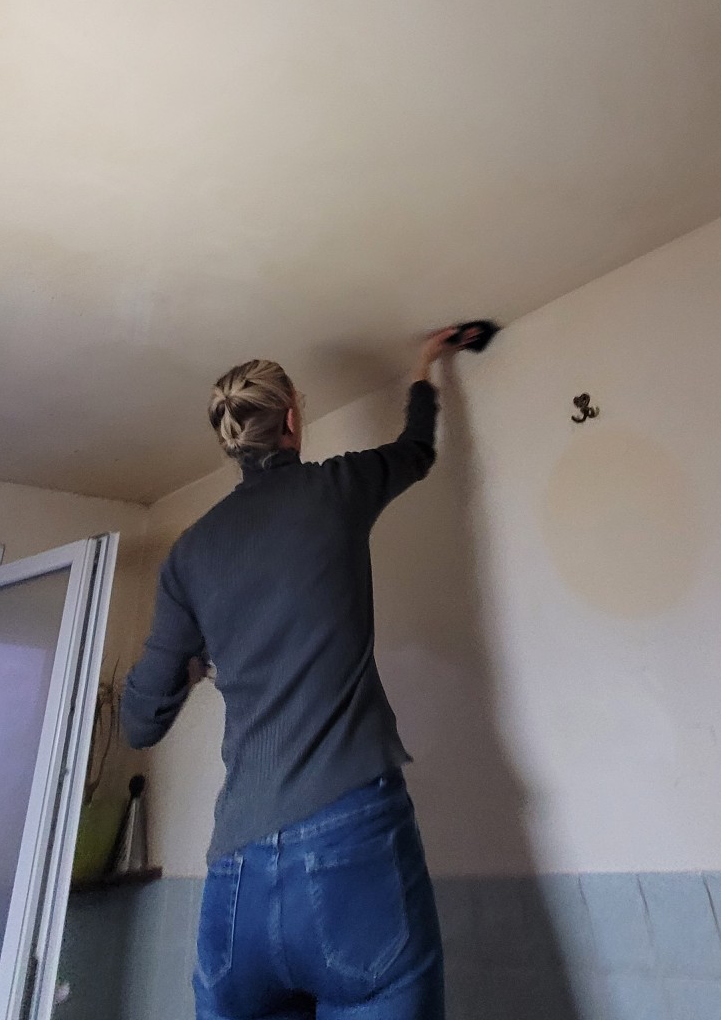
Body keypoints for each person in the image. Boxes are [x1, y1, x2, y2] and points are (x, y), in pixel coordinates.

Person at [122, 326, 475, 1020]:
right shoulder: (336, 488)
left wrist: (196, 664)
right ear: (291, 419)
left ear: (231, 440)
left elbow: (140, 722)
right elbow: (417, 450)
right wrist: (425, 367)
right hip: (350, 846)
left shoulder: (189, 554)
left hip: (237, 878)